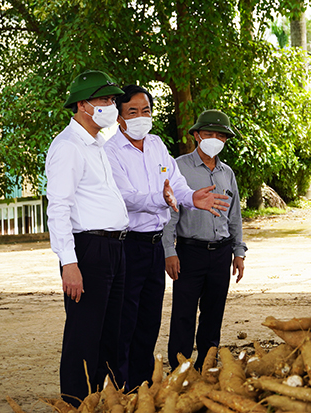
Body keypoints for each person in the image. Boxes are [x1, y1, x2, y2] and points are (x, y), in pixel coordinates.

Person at [103, 85, 229, 390]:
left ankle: (143, 384)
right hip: (127, 244)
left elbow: (177, 184)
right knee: (125, 321)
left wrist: (191, 198)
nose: (140, 117)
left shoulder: (157, 144)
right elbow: (127, 198)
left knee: (149, 319)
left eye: (145, 110)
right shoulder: (110, 151)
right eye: (132, 111)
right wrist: (165, 198)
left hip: (154, 244)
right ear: (119, 117)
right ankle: (121, 387)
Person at [45, 70, 128, 406]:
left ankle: (97, 401)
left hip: (114, 248)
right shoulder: (68, 147)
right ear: (82, 105)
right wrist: (69, 262)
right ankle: (75, 404)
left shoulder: (96, 145)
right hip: (89, 250)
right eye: (104, 100)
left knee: (109, 336)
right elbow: (58, 208)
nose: (111, 105)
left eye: (112, 100)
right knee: (84, 336)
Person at [163, 109, 247, 370]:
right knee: (184, 314)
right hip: (190, 252)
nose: (214, 139)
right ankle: (180, 369)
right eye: (208, 133)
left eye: (220, 135)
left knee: (213, 313)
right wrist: (169, 251)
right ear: (197, 136)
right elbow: (170, 212)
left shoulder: (227, 173)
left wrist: (239, 252)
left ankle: (207, 367)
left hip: (221, 253)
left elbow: (234, 216)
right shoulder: (179, 167)